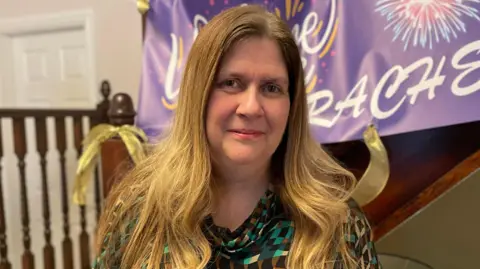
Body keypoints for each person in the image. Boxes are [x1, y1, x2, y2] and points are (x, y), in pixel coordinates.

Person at [93, 4, 381, 269]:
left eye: (271, 88)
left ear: (291, 106)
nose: (251, 107)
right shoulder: (139, 211)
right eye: (231, 83)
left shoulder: (337, 223)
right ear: (198, 96)